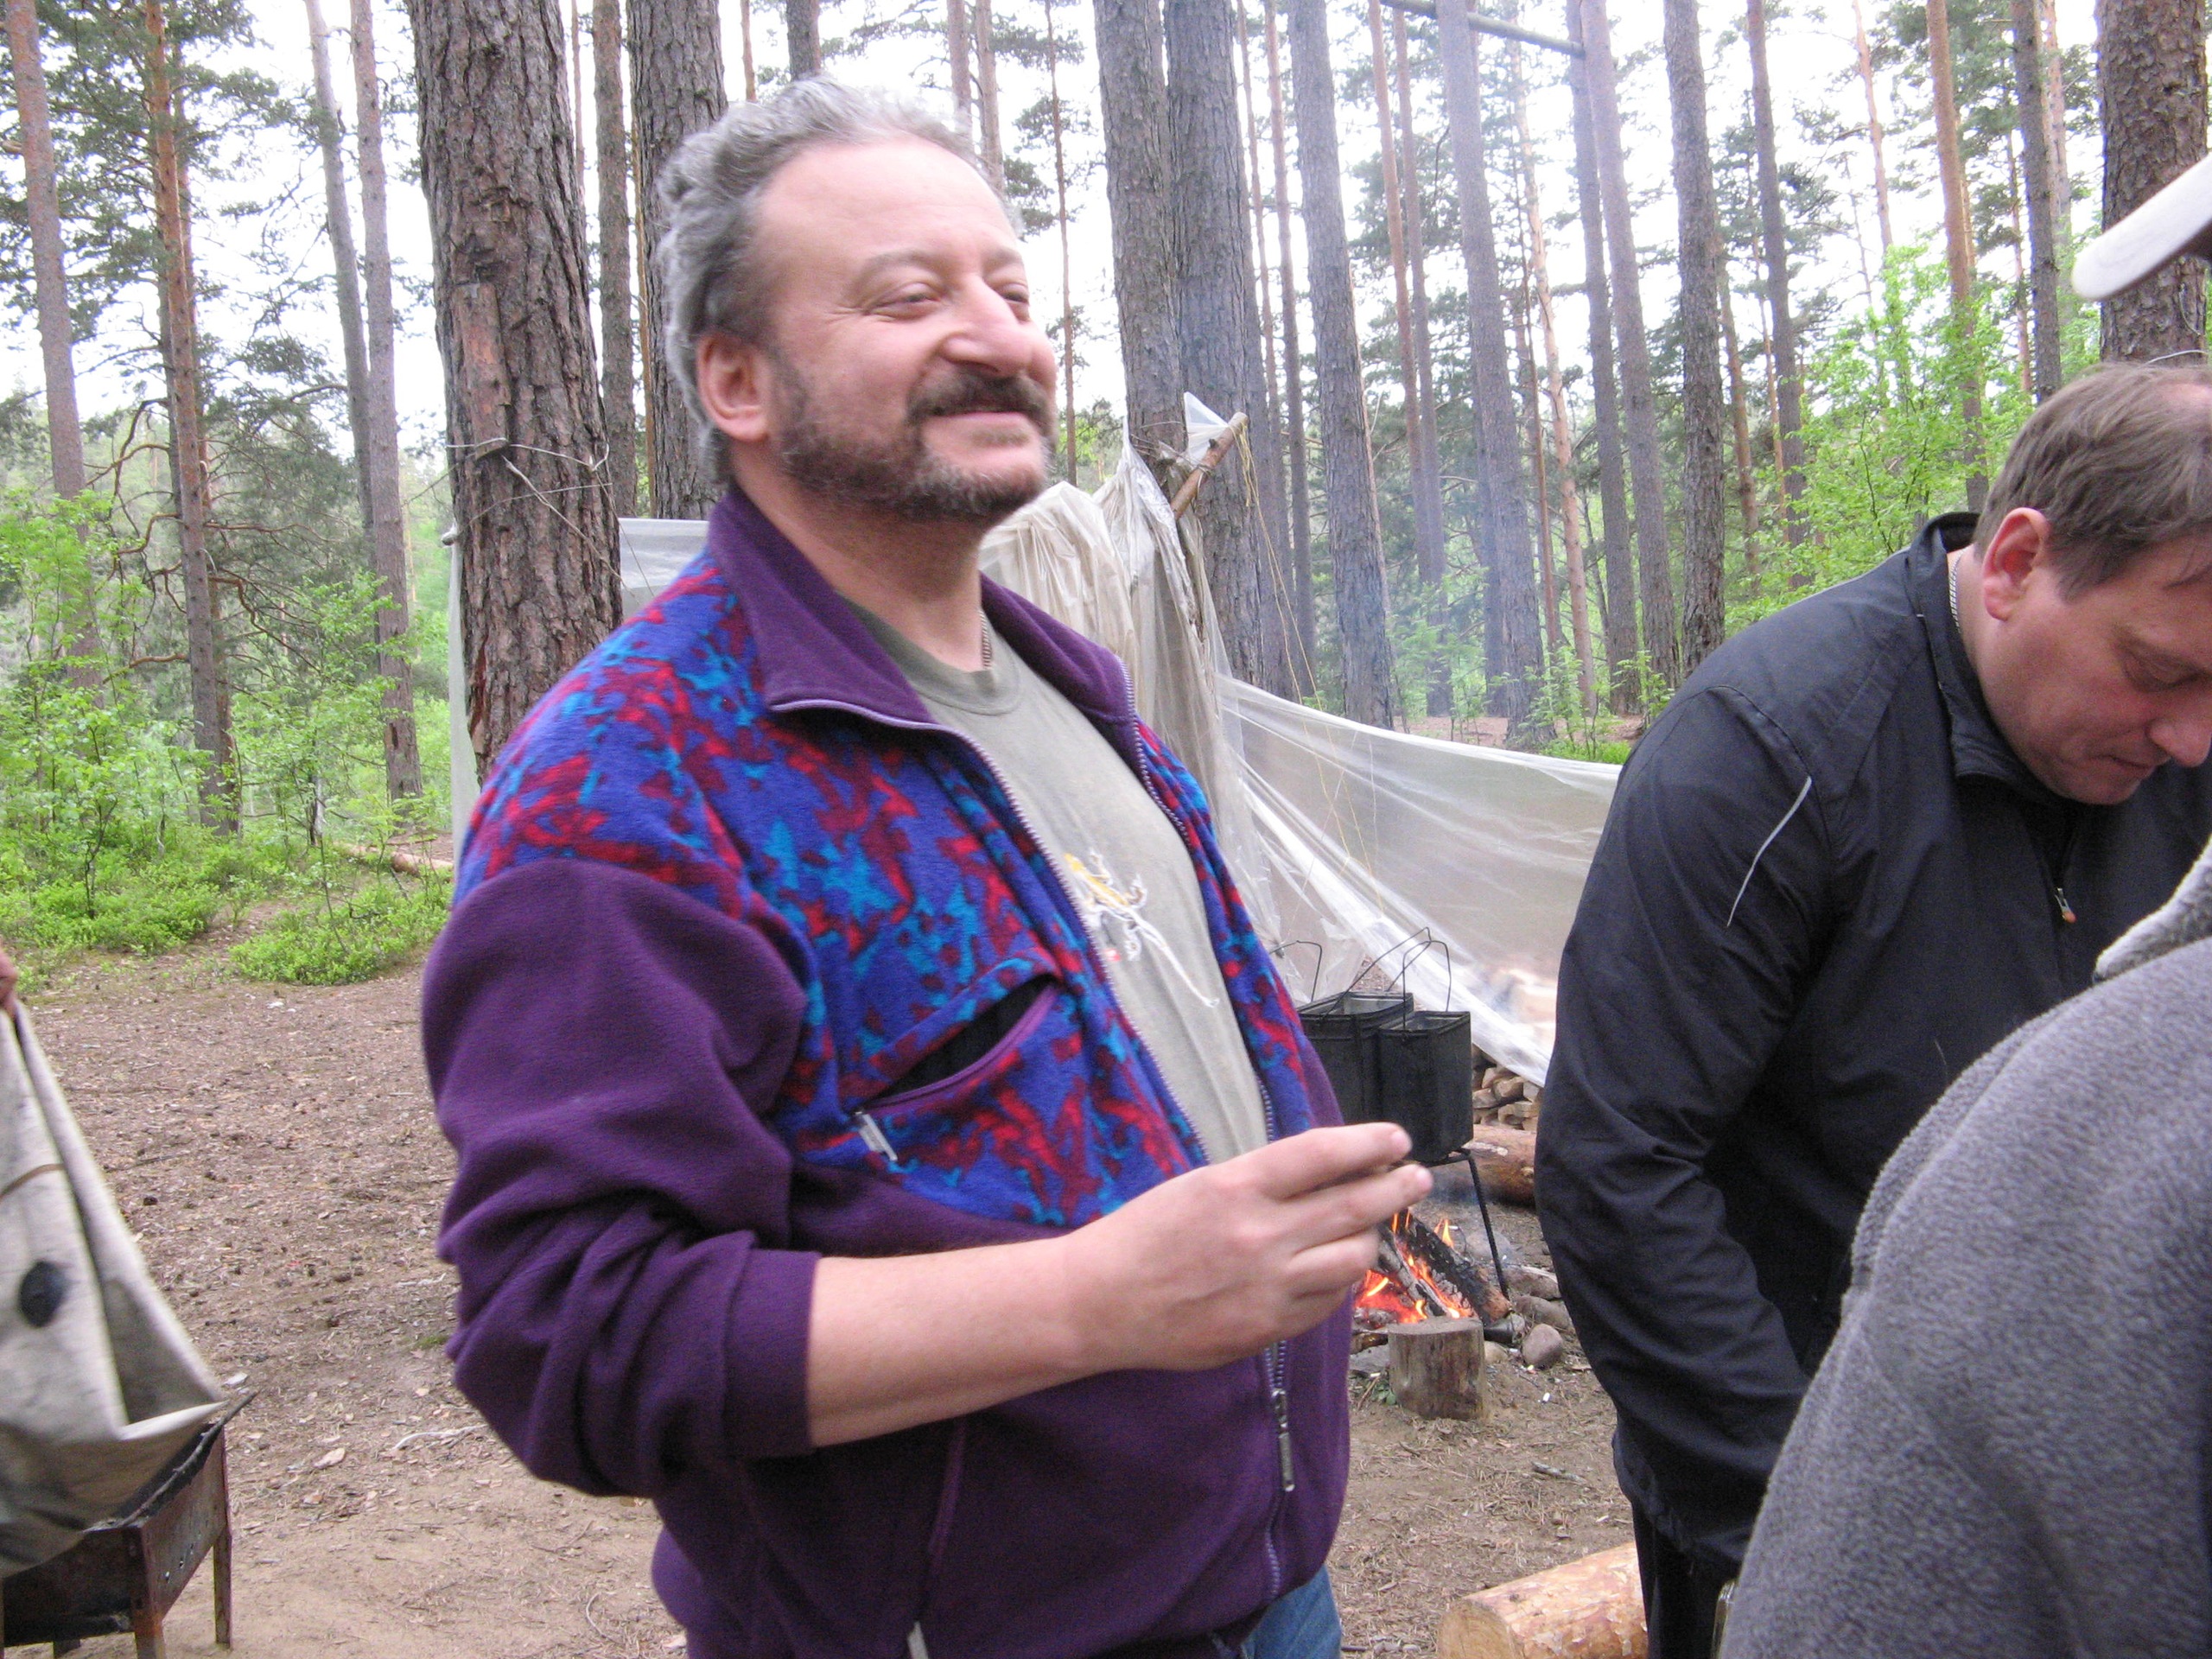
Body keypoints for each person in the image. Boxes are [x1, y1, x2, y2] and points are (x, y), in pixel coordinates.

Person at [421, 80, 1424, 1659]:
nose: (997, 336)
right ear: (737, 380)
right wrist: (1090, 1301)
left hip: (1276, 1598)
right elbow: (567, 1337)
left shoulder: (1075, 689)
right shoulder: (632, 784)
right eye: (908, 297)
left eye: (1011, 291)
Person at [1536, 362, 2212, 1658]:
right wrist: (1821, 1520)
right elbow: (1619, 1167)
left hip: (2104, 1483)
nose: (2189, 738)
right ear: (2015, 563)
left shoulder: (2180, 750)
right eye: (2155, 671)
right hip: (1798, 1459)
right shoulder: (1766, 750)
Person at [1718, 842, 2212, 1658]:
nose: (2179, 760)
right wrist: (1769, 1492)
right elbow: (1625, 1155)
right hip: (1796, 1427)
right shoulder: (1772, 795)